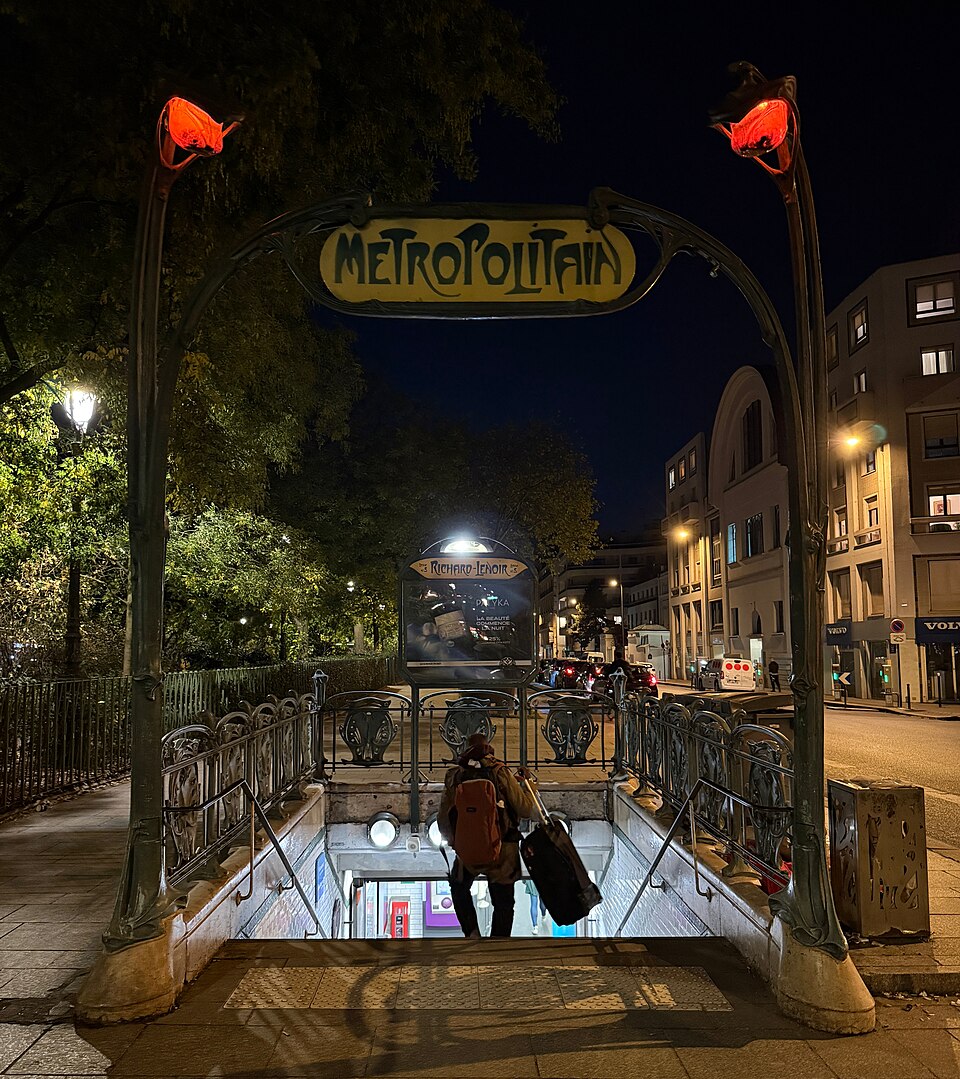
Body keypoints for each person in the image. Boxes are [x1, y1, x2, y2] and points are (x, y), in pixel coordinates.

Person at [437, 733, 539, 938]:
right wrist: (529, 784)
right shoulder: (500, 772)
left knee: (458, 888)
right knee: (503, 903)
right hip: (503, 849)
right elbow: (526, 809)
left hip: (468, 850)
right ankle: (498, 944)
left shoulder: (456, 775)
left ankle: (472, 933)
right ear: (489, 749)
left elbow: (443, 817)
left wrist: (455, 842)